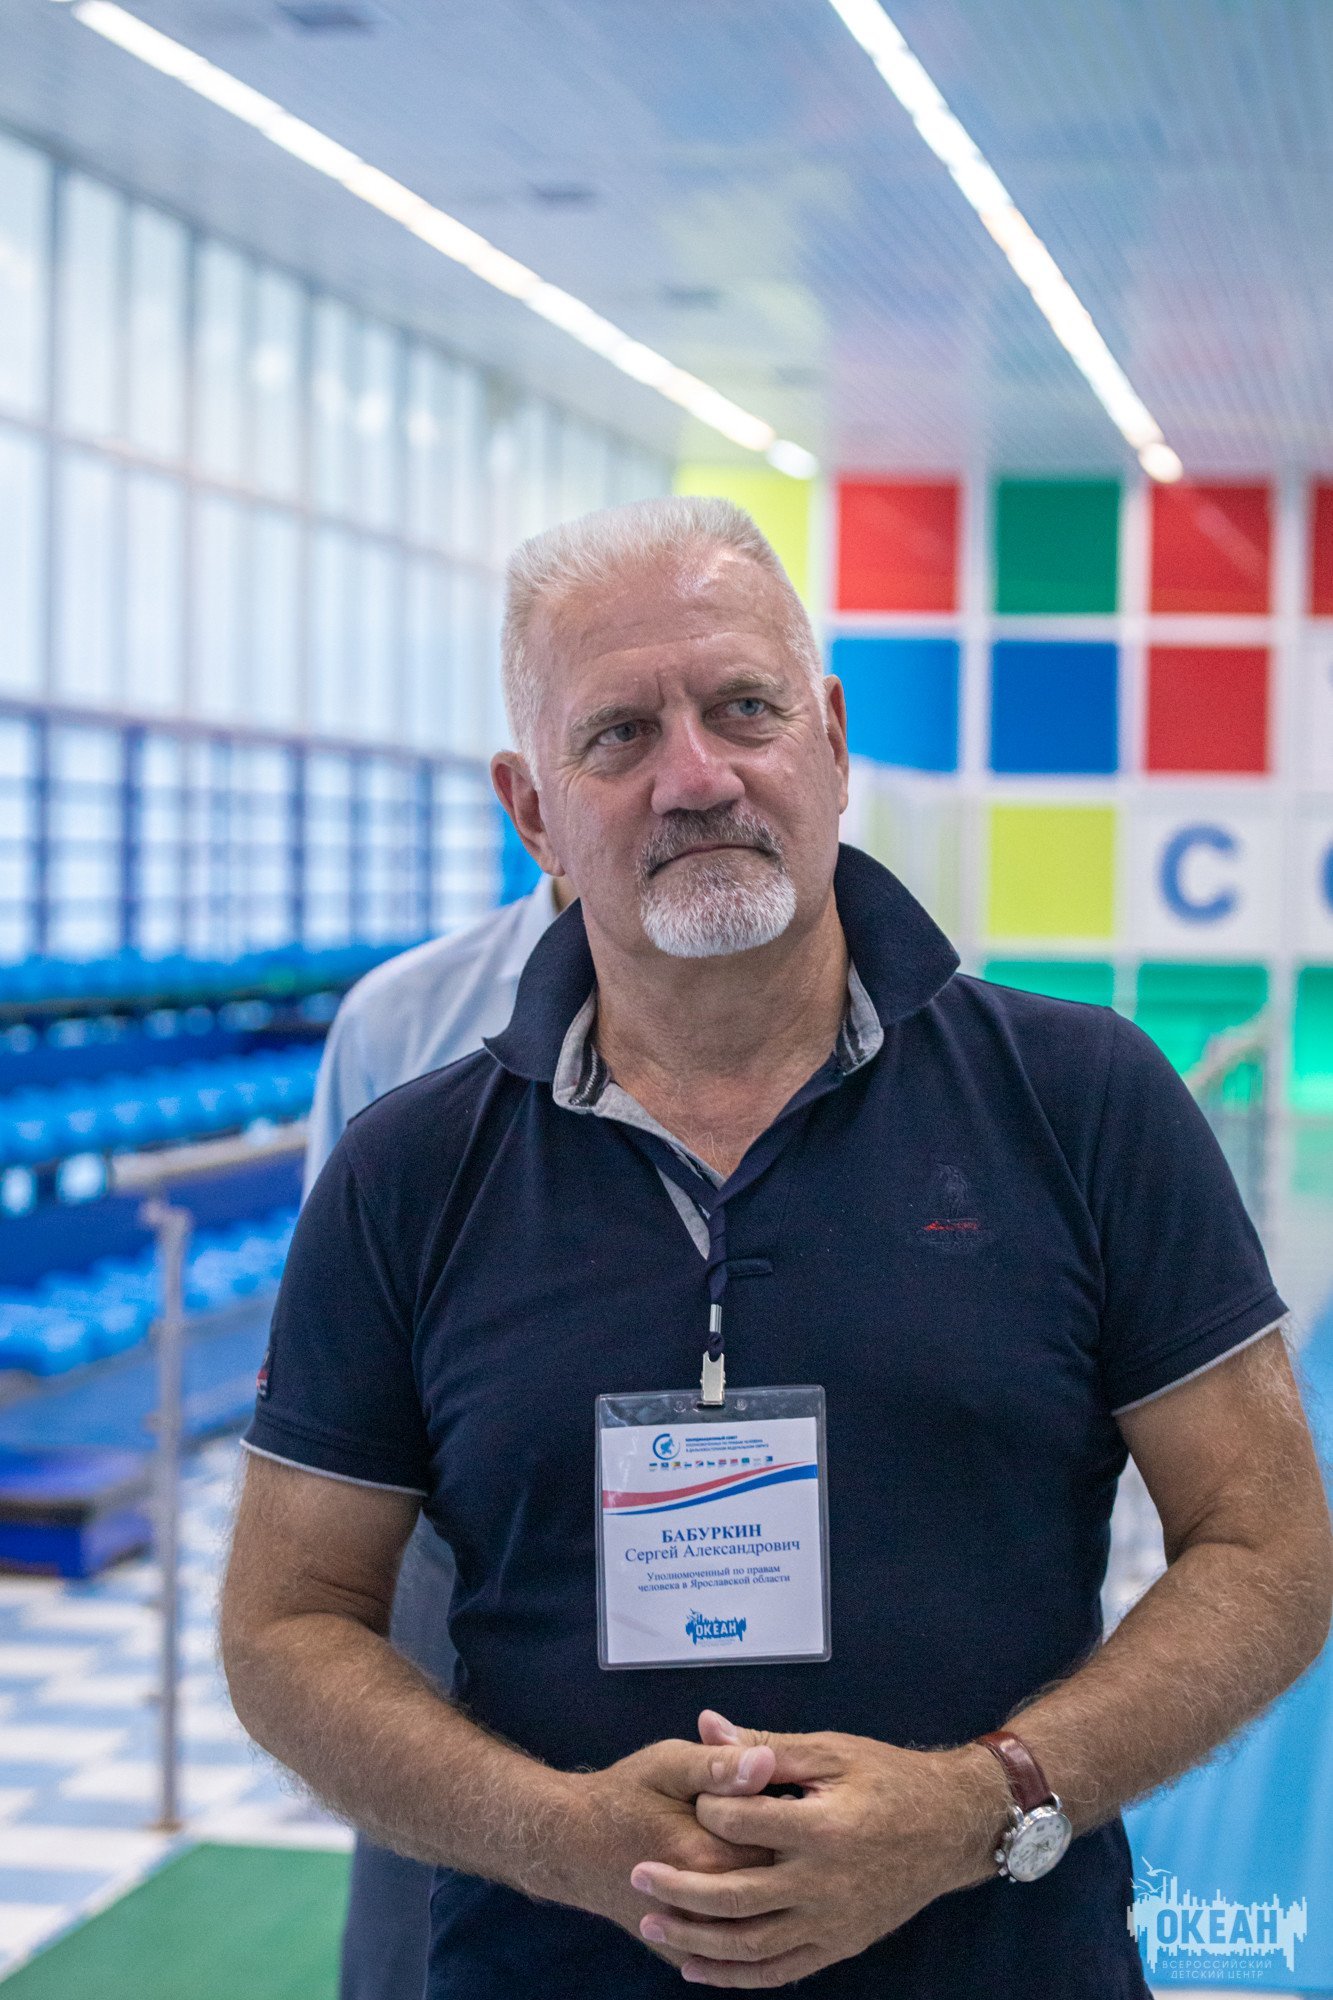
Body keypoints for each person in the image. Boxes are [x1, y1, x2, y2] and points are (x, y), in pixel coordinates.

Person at [223, 496, 1333, 1999]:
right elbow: (288, 1620)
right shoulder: (407, 1172)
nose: (697, 777)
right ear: (532, 811)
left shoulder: (1082, 1102)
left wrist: (980, 1802)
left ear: (831, 739)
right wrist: (560, 1836)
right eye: (619, 734)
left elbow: (1267, 1544)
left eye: (744, 708)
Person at [303, 875, 565, 2000]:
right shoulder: (402, 1016)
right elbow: (330, 1345)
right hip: (448, 1549)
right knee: (421, 1915)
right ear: (529, 804)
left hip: (718, 1535)